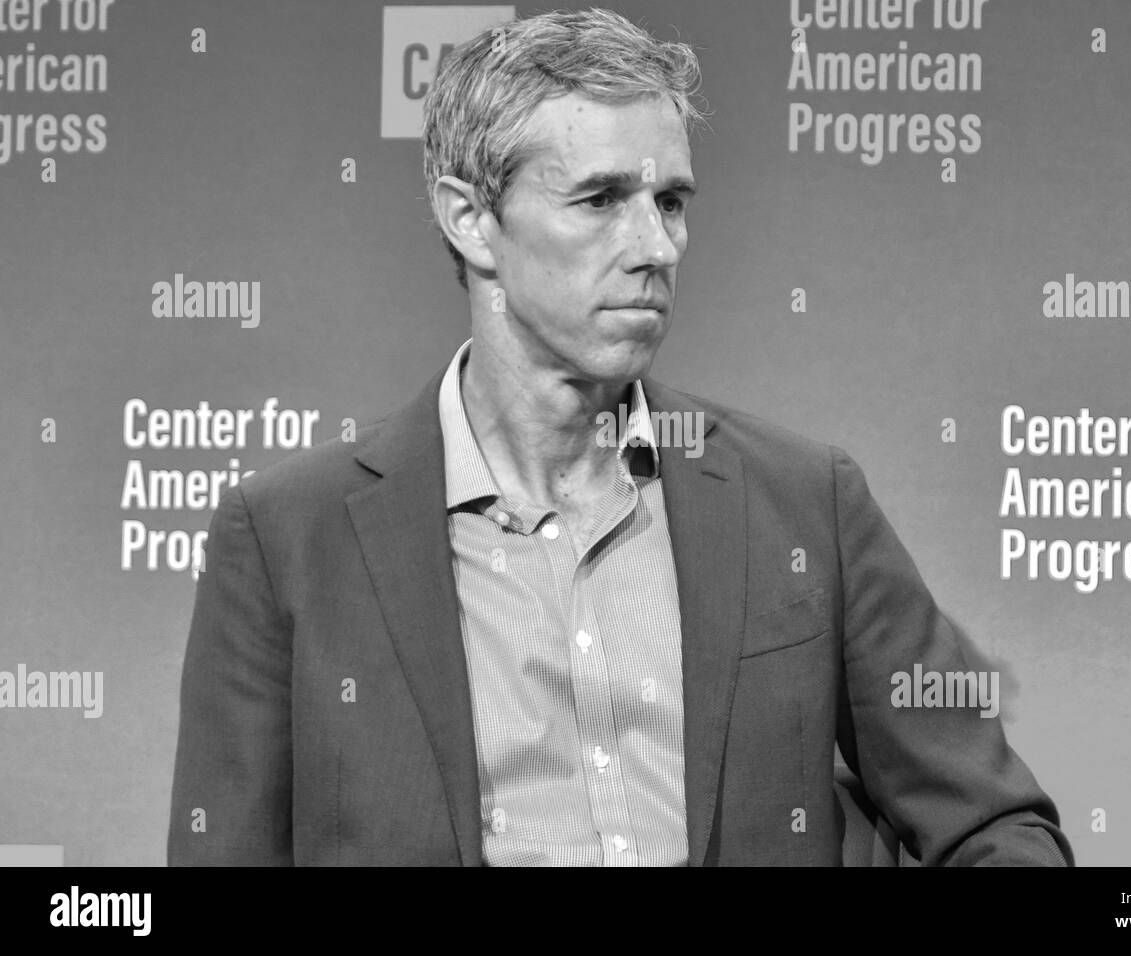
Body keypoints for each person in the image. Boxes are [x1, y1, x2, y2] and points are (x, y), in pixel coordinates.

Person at [167, 7, 1072, 866]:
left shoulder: (803, 501)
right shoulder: (289, 537)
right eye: (601, 200)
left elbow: (995, 827)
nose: (657, 246)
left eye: (670, 201)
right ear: (470, 219)